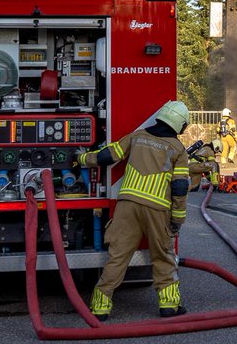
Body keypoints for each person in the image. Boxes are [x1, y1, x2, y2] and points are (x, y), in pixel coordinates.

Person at [77, 99, 191, 321]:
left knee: (118, 257)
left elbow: (107, 156)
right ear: (180, 125)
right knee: (163, 257)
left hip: (127, 206)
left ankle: (100, 307)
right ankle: (169, 305)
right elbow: (179, 188)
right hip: (157, 208)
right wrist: (177, 220)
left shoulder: (137, 137)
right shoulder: (178, 150)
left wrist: (81, 158)